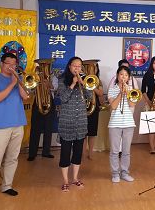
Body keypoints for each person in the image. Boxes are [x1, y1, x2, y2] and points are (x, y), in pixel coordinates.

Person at [0, 53, 28, 200]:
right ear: (2, 63)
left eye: (14, 64)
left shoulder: (18, 78)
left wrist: (18, 82)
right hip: (1, 125)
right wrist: (12, 84)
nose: (11, 66)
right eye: (8, 63)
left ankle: (7, 185)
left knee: (13, 158)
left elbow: (26, 96)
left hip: (18, 123)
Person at [57, 57, 92, 192]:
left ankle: (75, 178)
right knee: (65, 153)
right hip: (67, 121)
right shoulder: (62, 79)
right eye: (74, 66)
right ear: (69, 66)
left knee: (77, 153)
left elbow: (89, 97)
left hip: (81, 122)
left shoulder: (85, 79)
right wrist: (72, 84)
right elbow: (63, 98)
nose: (77, 68)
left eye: (79, 66)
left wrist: (83, 84)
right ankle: (65, 180)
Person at [107, 66, 136, 183]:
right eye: (121, 74)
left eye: (126, 75)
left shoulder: (131, 89)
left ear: (128, 77)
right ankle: (115, 173)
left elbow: (132, 104)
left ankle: (124, 173)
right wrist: (120, 93)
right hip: (115, 123)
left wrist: (127, 92)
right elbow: (113, 106)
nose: (123, 77)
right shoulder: (112, 89)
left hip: (128, 123)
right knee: (114, 151)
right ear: (117, 76)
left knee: (126, 151)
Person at [27, 73, 57, 161]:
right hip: (37, 103)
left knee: (48, 129)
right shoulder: (35, 76)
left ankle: (46, 152)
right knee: (35, 130)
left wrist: (49, 84)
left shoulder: (53, 76)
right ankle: (32, 153)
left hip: (49, 103)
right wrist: (36, 84)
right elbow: (29, 90)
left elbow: (55, 88)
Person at [85, 63, 104, 160]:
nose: (93, 69)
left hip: (94, 107)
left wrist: (93, 86)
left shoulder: (98, 80)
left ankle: (90, 153)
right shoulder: (82, 78)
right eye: (91, 67)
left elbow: (100, 93)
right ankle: (82, 152)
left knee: (92, 132)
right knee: (83, 133)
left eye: (95, 67)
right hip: (83, 108)